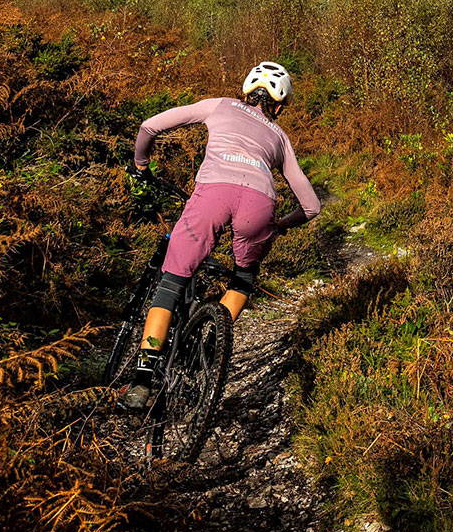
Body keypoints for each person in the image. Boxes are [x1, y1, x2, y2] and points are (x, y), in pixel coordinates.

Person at [120, 60, 320, 411]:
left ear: (246, 90)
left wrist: (140, 165)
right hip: (261, 204)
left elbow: (149, 126)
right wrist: (277, 226)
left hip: (213, 193)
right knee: (242, 280)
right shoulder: (280, 137)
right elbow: (311, 206)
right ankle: (210, 345)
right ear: (279, 105)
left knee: (171, 284)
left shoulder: (220, 105)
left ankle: (142, 378)